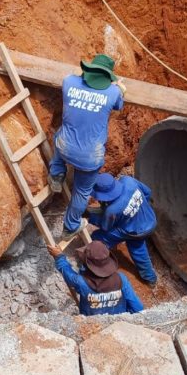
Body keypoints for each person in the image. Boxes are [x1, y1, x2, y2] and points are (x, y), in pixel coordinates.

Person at [49, 54, 126, 241]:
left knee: (60, 134)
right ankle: (70, 226)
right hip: (89, 158)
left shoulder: (69, 82)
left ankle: (56, 174)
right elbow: (119, 106)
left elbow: (73, 75)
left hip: (65, 148)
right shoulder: (113, 93)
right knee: (81, 192)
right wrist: (120, 89)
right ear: (108, 78)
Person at [88, 172, 158, 285]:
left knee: (98, 237)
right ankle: (151, 280)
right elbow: (147, 193)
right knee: (138, 248)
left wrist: (91, 218)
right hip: (150, 219)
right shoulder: (128, 181)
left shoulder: (112, 210)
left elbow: (106, 227)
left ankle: (97, 264)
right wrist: (134, 209)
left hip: (135, 232)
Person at [49, 240, 143, 316]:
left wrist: (59, 257)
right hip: (118, 325)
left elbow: (68, 273)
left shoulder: (81, 282)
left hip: (92, 325)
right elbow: (137, 307)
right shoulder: (121, 279)